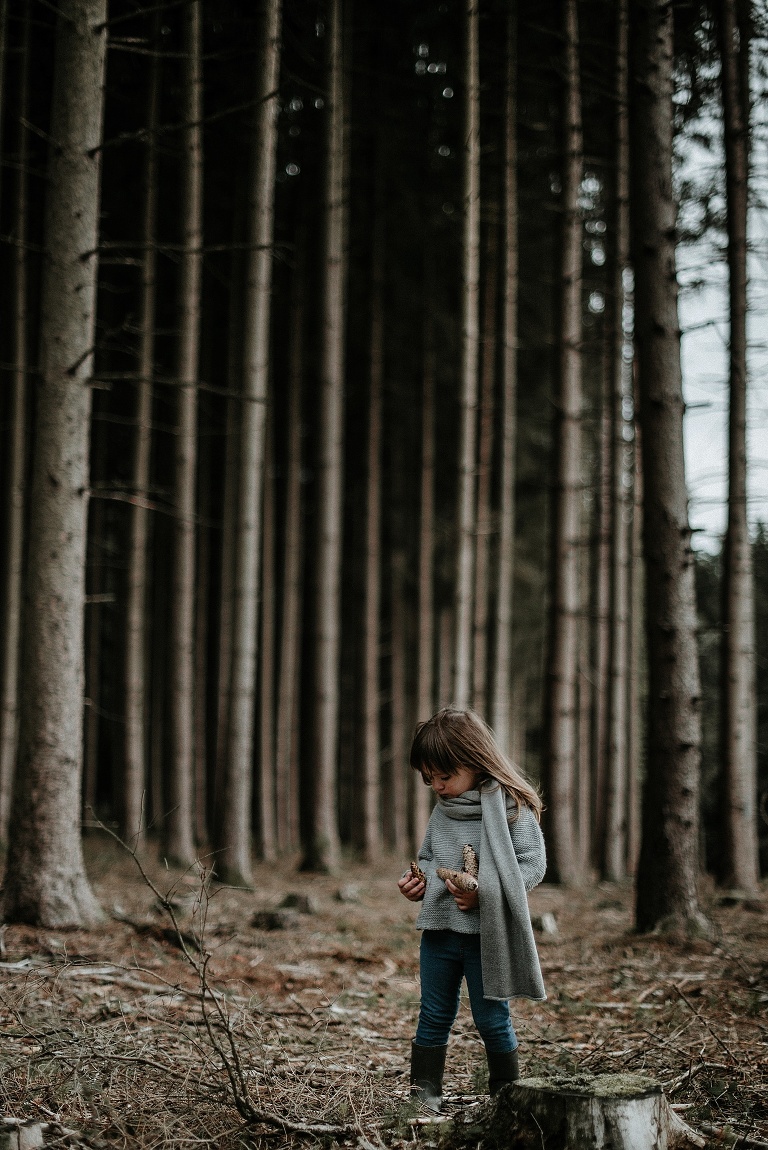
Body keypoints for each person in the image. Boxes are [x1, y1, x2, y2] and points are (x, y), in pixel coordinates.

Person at [398, 707, 547, 1112]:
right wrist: (419, 881)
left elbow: (533, 863)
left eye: (445, 776)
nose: (439, 787)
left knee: (491, 1019)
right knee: (433, 1014)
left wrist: (486, 893)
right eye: (430, 780)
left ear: (475, 759)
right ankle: (423, 1097)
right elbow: (429, 856)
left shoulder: (511, 806)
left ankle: (505, 1098)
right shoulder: (443, 810)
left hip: (488, 934)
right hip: (440, 931)